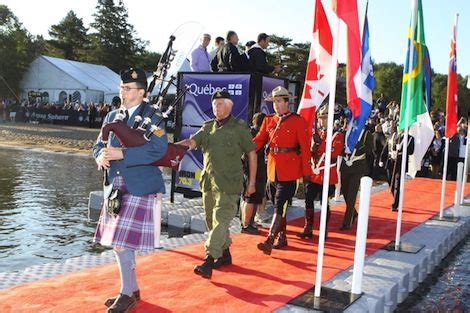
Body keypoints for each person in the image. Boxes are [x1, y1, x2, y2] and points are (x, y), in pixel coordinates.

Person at [93, 68, 168, 312]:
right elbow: (98, 145)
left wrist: (122, 153)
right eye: (121, 88)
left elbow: (159, 150)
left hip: (140, 183)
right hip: (115, 185)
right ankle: (131, 289)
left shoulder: (155, 117)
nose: (122, 92)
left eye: (127, 88)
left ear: (142, 92)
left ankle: (127, 292)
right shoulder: (113, 115)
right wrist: (100, 157)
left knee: (120, 240)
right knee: (118, 242)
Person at [177, 90, 257, 279]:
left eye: (220, 104)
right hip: (209, 184)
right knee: (211, 222)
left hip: (229, 184)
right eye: (214, 104)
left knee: (221, 220)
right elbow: (192, 142)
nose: (216, 107)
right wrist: (174, 148)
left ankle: (209, 259)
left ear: (230, 106)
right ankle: (225, 253)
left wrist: (251, 182)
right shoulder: (208, 127)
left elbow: (252, 155)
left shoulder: (239, 128)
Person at [253, 86, 311, 255]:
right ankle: (283, 236)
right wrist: (244, 148)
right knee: (278, 204)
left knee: (280, 204)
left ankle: (270, 239)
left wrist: (306, 172)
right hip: (272, 169)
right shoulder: (269, 120)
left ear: (287, 102)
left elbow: (305, 149)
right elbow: (259, 140)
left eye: (279, 101)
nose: (276, 105)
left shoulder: (298, 121)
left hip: (289, 170)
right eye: (274, 102)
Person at [297, 104, 344, 240]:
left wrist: (320, 144)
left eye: (324, 117)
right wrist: (313, 146)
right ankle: (308, 227)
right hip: (314, 173)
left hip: (326, 173)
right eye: (320, 118)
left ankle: (324, 229)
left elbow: (335, 152)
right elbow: (311, 153)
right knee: (308, 200)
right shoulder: (318, 133)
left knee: (324, 203)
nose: (322, 120)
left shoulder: (337, 135)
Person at [340, 125, 373, 230]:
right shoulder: (347, 133)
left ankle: (347, 221)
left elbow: (369, 149)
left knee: (351, 195)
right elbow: (340, 147)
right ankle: (353, 212)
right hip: (345, 166)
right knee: (345, 192)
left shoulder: (366, 134)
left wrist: (357, 147)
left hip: (358, 167)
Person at [241, 112, 267, 234]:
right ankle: (246, 225)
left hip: (256, 170)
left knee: (252, 198)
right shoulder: (254, 135)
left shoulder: (252, 133)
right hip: (253, 171)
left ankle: (249, 222)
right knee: (250, 198)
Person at [390, 132, 414, 211]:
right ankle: (396, 198)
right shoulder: (397, 136)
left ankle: (395, 204)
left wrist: (403, 149)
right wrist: (395, 148)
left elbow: (411, 151)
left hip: (402, 162)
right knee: (392, 184)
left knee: (398, 183)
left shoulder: (410, 138)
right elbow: (392, 147)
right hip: (394, 161)